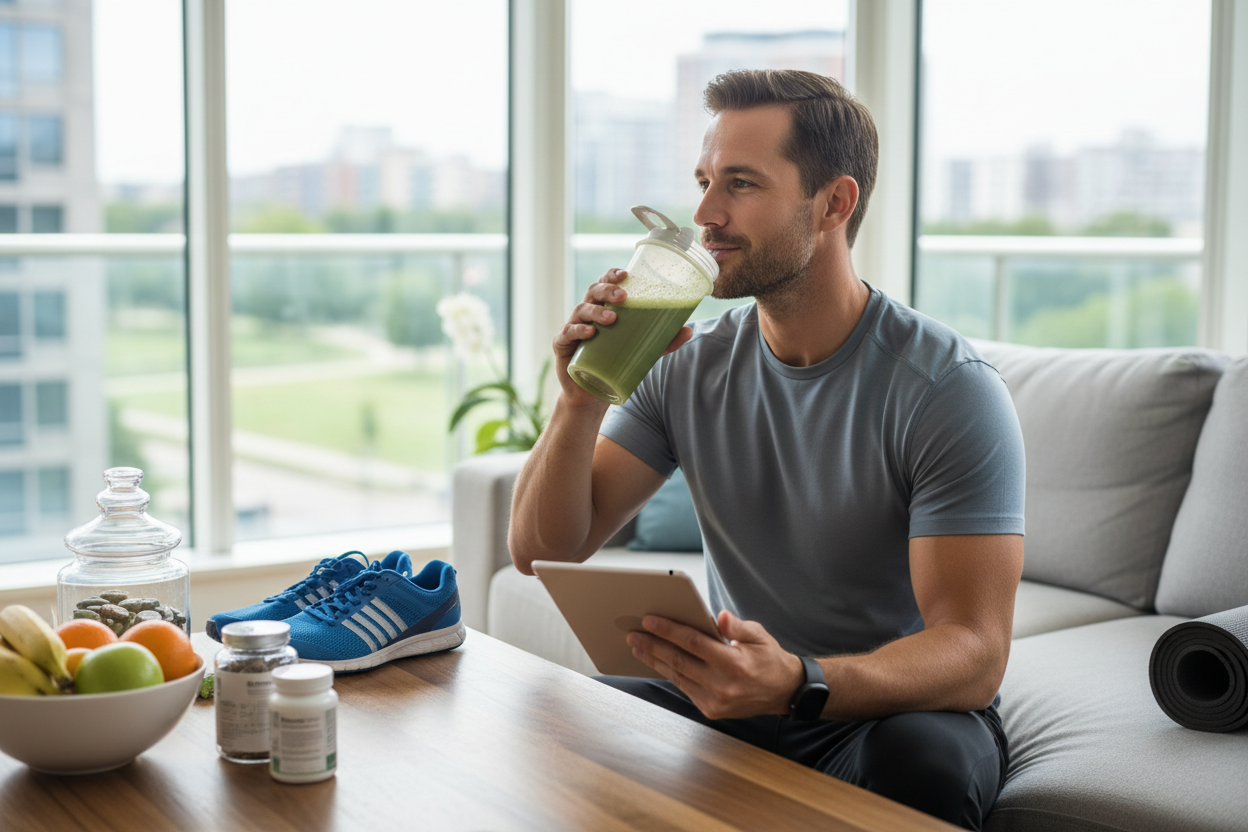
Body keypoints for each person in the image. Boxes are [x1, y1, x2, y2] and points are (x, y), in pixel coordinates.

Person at [507, 69, 1025, 831]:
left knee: (925, 765)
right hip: (740, 698)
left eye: (741, 185)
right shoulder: (684, 363)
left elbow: (976, 653)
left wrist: (798, 681)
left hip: (883, 711)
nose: (706, 214)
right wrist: (581, 398)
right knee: (568, 718)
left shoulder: (946, 389)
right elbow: (545, 545)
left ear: (833, 204)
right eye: (705, 180)